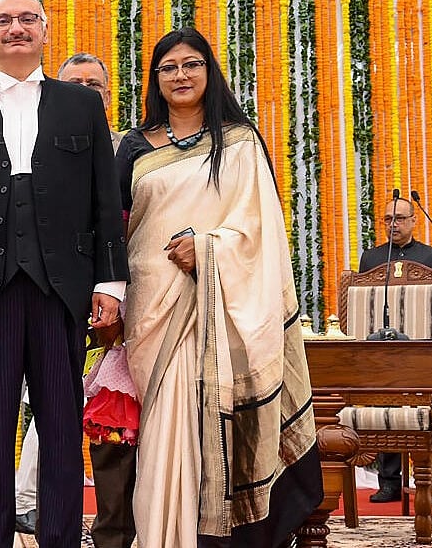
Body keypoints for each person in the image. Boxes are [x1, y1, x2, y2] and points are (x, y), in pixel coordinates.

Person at [0, 0, 129, 548]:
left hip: (62, 291)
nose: (16, 28)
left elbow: (104, 201)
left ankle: (59, 538)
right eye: (3, 20)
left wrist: (110, 282)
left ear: (44, 29)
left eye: (27, 19)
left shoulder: (80, 106)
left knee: (61, 428)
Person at [115, 27, 321, 547]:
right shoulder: (134, 147)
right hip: (153, 314)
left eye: (191, 64)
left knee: (220, 434)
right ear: (155, 80)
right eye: (168, 67)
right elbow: (114, 229)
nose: (180, 75)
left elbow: (260, 229)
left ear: (209, 72)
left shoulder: (240, 142)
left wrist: (207, 248)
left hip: (225, 313)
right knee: (164, 440)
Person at [13, 51, 136, 548]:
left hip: (127, 300)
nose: (86, 91)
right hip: (55, 300)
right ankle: (33, 507)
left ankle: (125, 525)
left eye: (96, 85)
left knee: (123, 416)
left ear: (110, 95)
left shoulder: (132, 148)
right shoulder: (32, 143)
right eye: (75, 83)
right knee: (52, 409)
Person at [358, 197, 432, 504]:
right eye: (387, 219)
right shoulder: (371, 259)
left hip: (423, 351)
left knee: (428, 412)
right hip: (385, 353)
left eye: (398, 218)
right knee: (389, 410)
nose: (392, 224)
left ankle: (430, 482)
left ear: (413, 221)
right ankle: (389, 482)